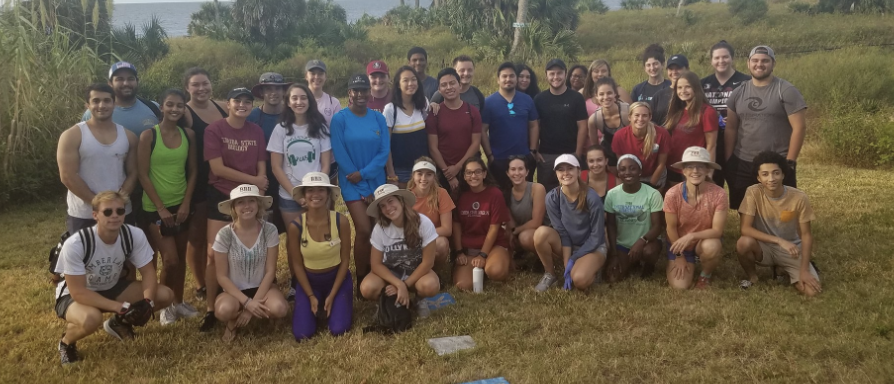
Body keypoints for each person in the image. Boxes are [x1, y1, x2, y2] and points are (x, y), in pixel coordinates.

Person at [54, 191, 173, 365]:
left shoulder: (133, 235)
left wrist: (148, 303)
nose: (115, 216)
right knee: (91, 319)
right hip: (75, 295)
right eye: (108, 212)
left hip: (111, 287)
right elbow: (78, 292)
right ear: (95, 215)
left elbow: (148, 272)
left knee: (164, 295)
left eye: (120, 211)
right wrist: (120, 307)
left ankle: (118, 323)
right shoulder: (77, 243)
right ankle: (66, 343)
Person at [200, 87, 268, 332]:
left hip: (251, 198)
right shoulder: (215, 130)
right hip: (222, 194)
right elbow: (217, 169)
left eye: (247, 102)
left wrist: (259, 192)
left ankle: (250, 295)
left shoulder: (256, 131)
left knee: (254, 249)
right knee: (213, 254)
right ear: (227, 104)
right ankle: (210, 308)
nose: (242, 105)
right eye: (237, 101)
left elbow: (262, 168)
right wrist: (252, 182)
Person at [136, 89, 199, 325]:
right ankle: (164, 305)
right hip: (155, 208)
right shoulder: (148, 136)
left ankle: (178, 302)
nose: (175, 109)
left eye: (180, 105)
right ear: (161, 107)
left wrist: (185, 203)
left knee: (180, 258)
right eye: (169, 105)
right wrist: (161, 208)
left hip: (181, 204)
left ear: (184, 109)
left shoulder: (189, 134)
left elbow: (193, 171)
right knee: (169, 259)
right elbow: (142, 174)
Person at [725, 46, 807, 210]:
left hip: (777, 162)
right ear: (748, 63)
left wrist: (790, 162)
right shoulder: (738, 92)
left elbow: (799, 128)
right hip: (743, 161)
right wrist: (729, 159)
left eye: (765, 61)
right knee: (746, 209)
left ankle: (779, 235)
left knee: (781, 210)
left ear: (773, 63)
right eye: (755, 60)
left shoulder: (786, 91)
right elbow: (731, 128)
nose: (759, 64)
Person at [330, 74, 390, 287]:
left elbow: (384, 152)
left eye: (364, 90)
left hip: (376, 181)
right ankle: (362, 278)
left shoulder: (378, 118)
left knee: (379, 229)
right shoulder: (340, 119)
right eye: (356, 90)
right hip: (352, 183)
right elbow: (340, 154)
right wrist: (363, 187)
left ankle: (379, 272)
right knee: (364, 229)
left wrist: (365, 175)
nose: (361, 94)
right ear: (350, 93)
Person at [736, 151, 820, 296]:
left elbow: (806, 235)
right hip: (764, 247)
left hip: (791, 249)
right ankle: (753, 278)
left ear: (783, 174)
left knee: (811, 292)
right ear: (758, 177)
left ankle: (784, 268)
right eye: (765, 174)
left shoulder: (799, 197)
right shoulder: (753, 192)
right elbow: (745, 229)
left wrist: (804, 270)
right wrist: (779, 241)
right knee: (743, 243)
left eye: (776, 173)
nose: (771, 178)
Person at [211, 184, 288, 342]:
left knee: (280, 308)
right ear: (233, 207)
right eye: (240, 202)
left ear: (258, 204)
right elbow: (221, 276)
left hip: (263, 288)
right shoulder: (224, 234)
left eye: (251, 201)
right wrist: (247, 302)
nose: (246, 206)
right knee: (223, 310)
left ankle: (263, 316)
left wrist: (251, 308)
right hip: (234, 291)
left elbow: (270, 271)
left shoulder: (270, 230)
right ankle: (232, 321)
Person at [58, 84, 138, 235]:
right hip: (85, 213)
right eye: (96, 101)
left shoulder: (129, 137)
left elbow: (133, 172)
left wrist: (118, 202)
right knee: (86, 257)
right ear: (87, 105)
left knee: (122, 256)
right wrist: (98, 204)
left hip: (121, 213)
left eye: (107, 100)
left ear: (114, 104)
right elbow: (67, 176)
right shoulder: (72, 136)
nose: (102, 105)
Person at [180, 67, 227, 302]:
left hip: (223, 178)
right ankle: (200, 284)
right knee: (197, 236)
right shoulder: (186, 113)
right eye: (195, 85)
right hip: (197, 179)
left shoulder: (222, 107)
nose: (201, 89)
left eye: (205, 83)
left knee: (222, 234)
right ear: (187, 88)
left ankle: (224, 277)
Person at [288, 172, 353, 340]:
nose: (315, 194)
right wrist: (310, 295)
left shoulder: (341, 221)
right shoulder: (296, 226)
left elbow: (345, 260)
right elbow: (297, 265)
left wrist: (332, 294)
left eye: (321, 190)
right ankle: (316, 302)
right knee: (303, 334)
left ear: (328, 194)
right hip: (310, 282)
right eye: (310, 190)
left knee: (338, 329)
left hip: (337, 279)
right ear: (303, 195)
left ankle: (333, 301)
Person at [361, 184, 440, 318]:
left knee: (430, 285)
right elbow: (376, 264)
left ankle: (419, 300)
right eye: (382, 205)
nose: (388, 208)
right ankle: (385, 303)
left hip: (416, 272)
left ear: (401, 201)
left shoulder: (423, 223)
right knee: (367, 288)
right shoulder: (380, 228)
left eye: (391, 201)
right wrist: (398, 284)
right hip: (390, 274)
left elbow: (428, 263)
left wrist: (405, 285)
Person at [533, 154, 606, 291]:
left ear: (578, 171)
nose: (565, 173)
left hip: (593, 246)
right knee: (540, 233)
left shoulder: (592, 197)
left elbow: (597, 236)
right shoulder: (552, 197)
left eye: (570, 168)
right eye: (561, 170)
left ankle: (594, 268)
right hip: (569, 245)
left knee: (579, 280)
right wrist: (567, 262)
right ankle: (550, 274)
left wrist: (575, 258)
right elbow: (562, 233)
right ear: (556, 174)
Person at [268, 83, 331, 228]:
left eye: (303, 98)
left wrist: (315, 191)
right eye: (294, 98)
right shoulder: (281, 129)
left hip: (316, 195)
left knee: (318, 240)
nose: (299, 102)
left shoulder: (320, 128)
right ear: (288, 103)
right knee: (294, 241)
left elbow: (326, 164)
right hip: (289, 195)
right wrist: (295, 194)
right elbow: (276, 166)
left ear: (309, 101)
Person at [664, 147, 727, 289]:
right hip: (679, 243)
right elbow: (671, 227)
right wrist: (679, 256)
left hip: (702, 240)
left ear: (707, 170)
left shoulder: (719, 194)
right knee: (680, 286)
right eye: (690, 167)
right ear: (683, 170)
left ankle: (705, 274)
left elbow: (717, 231)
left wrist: (692, 236)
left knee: (712, 246)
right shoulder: (672, 194)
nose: (695, 171)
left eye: (700, 166)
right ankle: (682, 260)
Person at [452, 157, 512, 291]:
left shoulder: (495, 194)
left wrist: (483, 255)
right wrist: (459, 252)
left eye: (477, 172)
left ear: (485, 174)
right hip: (469, 248)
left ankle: (493, 262)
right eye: (469, 172)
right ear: (464, 176)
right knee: (463, 286)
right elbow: (456, 225)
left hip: (494, 245)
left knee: (496, 272)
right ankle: (477, 268)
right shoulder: (459, 195)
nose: (473, 176)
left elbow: (494, 228)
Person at [604, 155, 663, 282]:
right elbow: (611, 225)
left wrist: (642, 241)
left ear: (640, 171)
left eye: (632, 169)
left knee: (649, 252)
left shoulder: (653, 194)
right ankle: (632, 262)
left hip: (646, 243)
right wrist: (614, 254)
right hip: (623, 244)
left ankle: (648, 266)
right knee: (613, 278)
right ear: (618, 173)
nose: (627, 173)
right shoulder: (612, 194)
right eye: (623, 169)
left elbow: (658, 226)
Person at [481, 62, 539, 191]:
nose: (508, 79)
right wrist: (490, 156)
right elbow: (483, 130)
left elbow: (533, 126)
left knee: (524, 196)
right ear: (498, 80)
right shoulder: (488, 102)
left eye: (512, 76)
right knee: (500, 195)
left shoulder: (527, 99)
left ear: (516, 78)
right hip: (499, 159)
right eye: (504, 76)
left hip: (523, 157)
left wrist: (533, 151)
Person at [701, 41, 750, 189]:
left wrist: (738, 119)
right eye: (717, 58)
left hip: (739, 142)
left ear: (732, 58)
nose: (721, 61)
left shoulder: (746, 82)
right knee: (712, 186)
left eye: (725, 57)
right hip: (710, 142)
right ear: (711, 60)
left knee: (741, 187)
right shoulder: (702, 84)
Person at [534, 58, 589, 193]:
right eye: (552, 74)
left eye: (559, 73)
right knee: (547, 193)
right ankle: (547, 215)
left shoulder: (576, 98)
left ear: (565, 74)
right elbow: (535, 126)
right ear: (546, 75)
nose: (555, 77)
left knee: (573, 192)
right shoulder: (539, 99)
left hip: (571, 153)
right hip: (546, 155)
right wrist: (535, 151)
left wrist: (578, 153)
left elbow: (583, 126)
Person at [248, 72, 291, 233]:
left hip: (288, 178)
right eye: (268, 89)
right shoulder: (252, 117)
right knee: (262, 227)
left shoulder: (292, 115)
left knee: (292, 228)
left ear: (283, 91)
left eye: (278, 88)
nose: (273, 92)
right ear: (262, 93)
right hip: (262, 180)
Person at [426, 68, 482, 192]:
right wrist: (448, 173)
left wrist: (458, 167)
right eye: (444, 85)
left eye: (452, 83)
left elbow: (476, 143)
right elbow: (433, 148)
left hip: (468, 170)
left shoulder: (472, 111)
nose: (449, 87)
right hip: (442, 172)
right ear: (439, 90)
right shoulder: (435, 114)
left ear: (460, 85)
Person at [664, 71, 719, 186]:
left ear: (696, 88)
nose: (683, 91)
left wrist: (708, 172)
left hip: (693, 168)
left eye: (687, 87)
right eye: (679, 87)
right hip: (673, 165)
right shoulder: (677, 110)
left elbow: (711, 145)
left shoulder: (707, 112)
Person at [83, 62, 160, 136]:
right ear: (110, 83)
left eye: (130, 79)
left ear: (137, 81)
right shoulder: (94, 112)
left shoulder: (154, 107)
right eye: (120, 79)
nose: (126, 83)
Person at [384, 66, 430, 188]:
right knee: (405, 206)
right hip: (401, 171)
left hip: (423, 168)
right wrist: (391, 174)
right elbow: (386, 145)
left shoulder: (423, 104)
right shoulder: (390, 109)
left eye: (414, 79)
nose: (411, 83)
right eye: (405, 80)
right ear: (398, 84)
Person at [407, 158, 454, 269]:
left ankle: (434, 271)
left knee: (442, 244)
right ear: (413, 176)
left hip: (430, 237)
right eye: (420, 174)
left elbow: (447, 229)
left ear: (434, 177)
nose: (423, 178)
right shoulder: (406, 196)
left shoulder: (441, 193)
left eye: (429, 174)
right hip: (411, 239)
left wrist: (421, 234)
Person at [610, 102, 670, 189]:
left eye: (645, 115)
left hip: (655, 174)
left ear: (650, 117)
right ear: (630, 117)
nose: (640, 119)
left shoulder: (662, 134)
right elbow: (622, 164)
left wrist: (651, 185)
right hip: (631, 175)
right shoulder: (619, 136)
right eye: (637, 115)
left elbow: (661, 164)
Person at [305, 59, 342, 185]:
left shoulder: (334, 102)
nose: (316, 77)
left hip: (330, 159)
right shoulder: (298, 101)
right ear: (306, 76)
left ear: (325, 77)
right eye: (312, 73)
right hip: (304, 159)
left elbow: (337, 133)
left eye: (320, 73)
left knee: (329, 198)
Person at [506, 155, 547, 257]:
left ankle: (544, 258)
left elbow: (536, 222)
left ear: (527, 172)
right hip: (519, 231)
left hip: (541, 231)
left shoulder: (537, 189)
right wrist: (511, 232)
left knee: (525, 237)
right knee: (503, 235)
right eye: (513, 169)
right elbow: (510, 223)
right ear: (507, 173)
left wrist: (515, 231)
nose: (517, 173)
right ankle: (518, 254)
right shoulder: (505, 194)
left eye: (521, 169)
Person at [588, 77, 629, 168]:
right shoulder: (594, 119)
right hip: (609, 153)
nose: (606, 97)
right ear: (596, 96)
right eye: (601, 94)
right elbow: (595, 148)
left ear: (615, 94)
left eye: (609, 93)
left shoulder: (628, 113)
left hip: (630, 151)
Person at [650, 54, 689, 126]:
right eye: (671, 69)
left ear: (687, 69)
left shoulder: (692, 94)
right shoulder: (659, 96)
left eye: (678, 68)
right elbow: (651, 122)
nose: (674, 72)